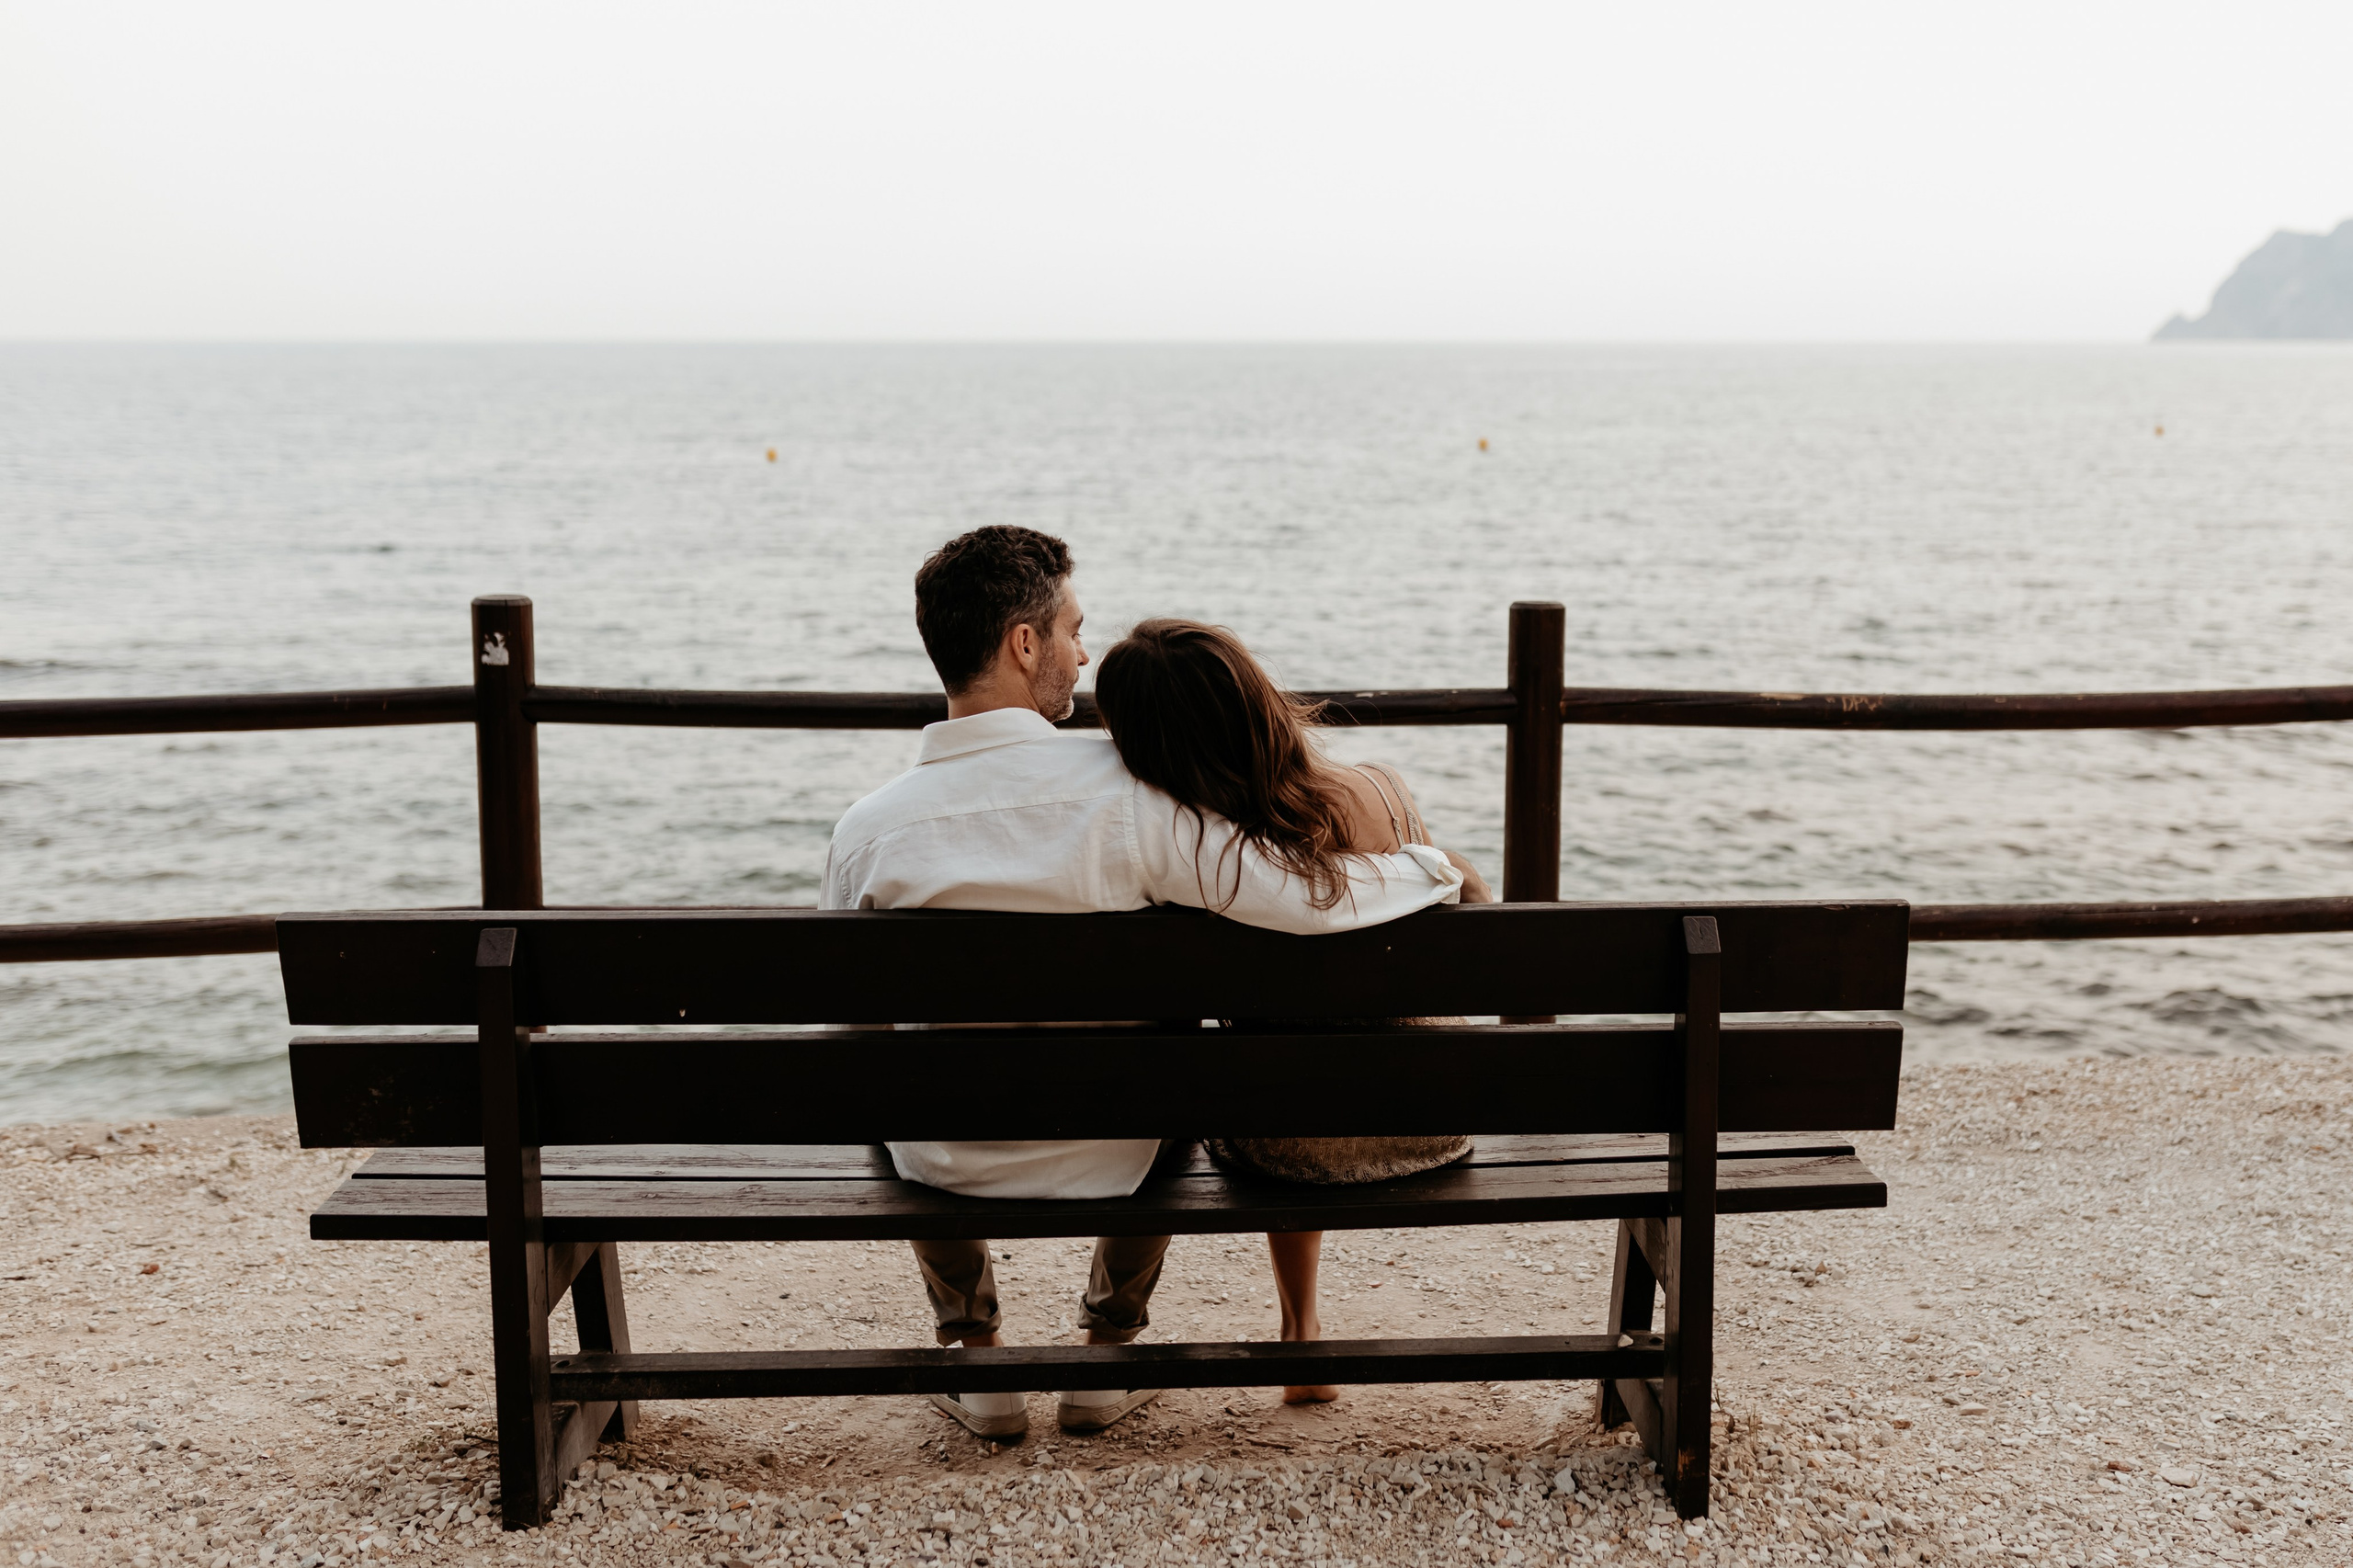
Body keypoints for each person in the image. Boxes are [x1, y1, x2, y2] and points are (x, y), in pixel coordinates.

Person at [821, 526, 1488, 1441]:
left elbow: (852, 1030)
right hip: (1122, 1151)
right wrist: (1431, 870)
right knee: (1175, 1062)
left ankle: (975, 1355)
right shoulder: (1135, 796)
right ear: (1024, 643)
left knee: (888, 1069)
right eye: (1071, 627)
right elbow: (1301, 899)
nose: (1082, 651)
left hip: (944, 1161)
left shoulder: (868, 830)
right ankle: (1105, 1351)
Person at [1092, 617, 1495, 1403]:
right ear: (1259, 699)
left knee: (1279, 1061)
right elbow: (1474, 927)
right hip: (1427, 1120)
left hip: (1280, 1147)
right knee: (1318, 1048)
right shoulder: (1379, 789)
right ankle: (1302, 1334)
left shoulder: (1201, 855)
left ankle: (1302, 1328)